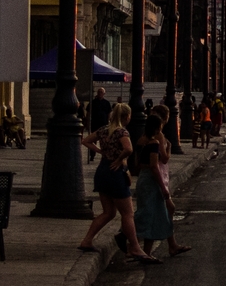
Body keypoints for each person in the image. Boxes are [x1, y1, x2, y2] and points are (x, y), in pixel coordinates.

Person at [78, 103, 149, 264]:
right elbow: (128, 149)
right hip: (116, 172)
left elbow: (86, 141)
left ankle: (87, 240)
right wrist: (118, 159)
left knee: (108, 212)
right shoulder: (121, 132)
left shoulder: (104, 130)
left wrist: (100, 151)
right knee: (128, 213)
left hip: (103, 170)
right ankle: (135, 247)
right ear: (126, 117)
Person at [131, 110, 187, 260]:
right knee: (148, 214)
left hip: (143, 177)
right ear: (157, 127)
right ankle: (128, 236)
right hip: (152, 179)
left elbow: (136, 164)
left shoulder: (140, 141)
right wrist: (163, 188)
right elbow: (155, 166)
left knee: (151, 213)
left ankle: (151, 250)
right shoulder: (154, 142)